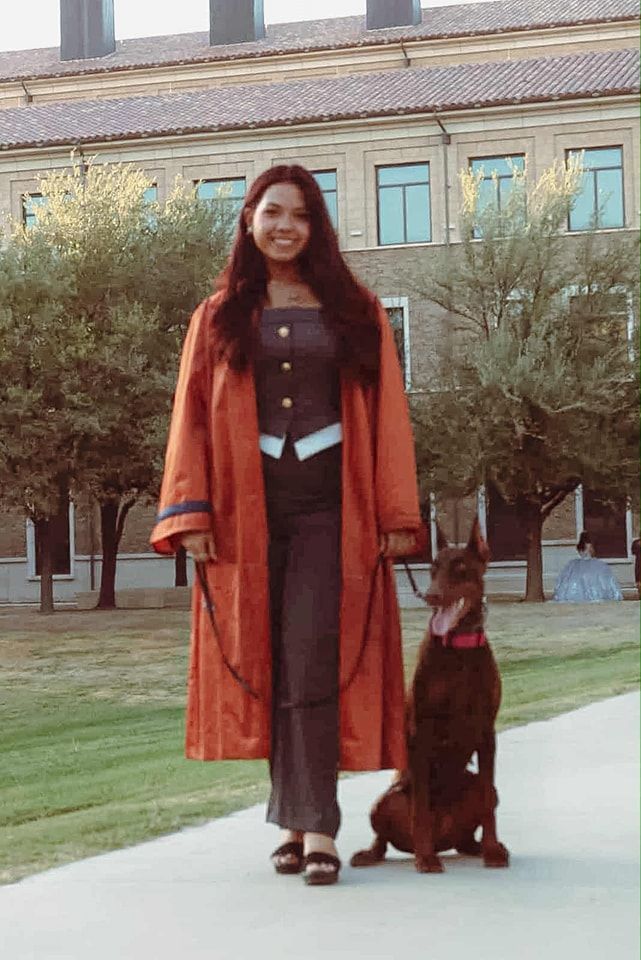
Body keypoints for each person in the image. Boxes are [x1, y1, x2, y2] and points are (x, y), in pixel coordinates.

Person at [150, 164, 421, 886]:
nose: (284, 226)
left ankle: (318, 830)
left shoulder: (355, 309)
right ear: (248, 220)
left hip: (331, 511)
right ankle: (291, 820)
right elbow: (190, 422)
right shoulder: (218, 316)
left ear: (315, 225)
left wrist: (396, 513)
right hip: (245, 511)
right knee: (269, 667)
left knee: (310, 662)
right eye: (272, 212)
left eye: (299, 215)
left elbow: (390, 415)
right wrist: (191, 514)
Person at [553, 531, 623, 602]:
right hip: (591, 563)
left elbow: (581, 554)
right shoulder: (589, 545)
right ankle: (593, 596)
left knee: (579, 581)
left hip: (581, 564)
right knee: (594, 581)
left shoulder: (579, 547)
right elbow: (592, 553)